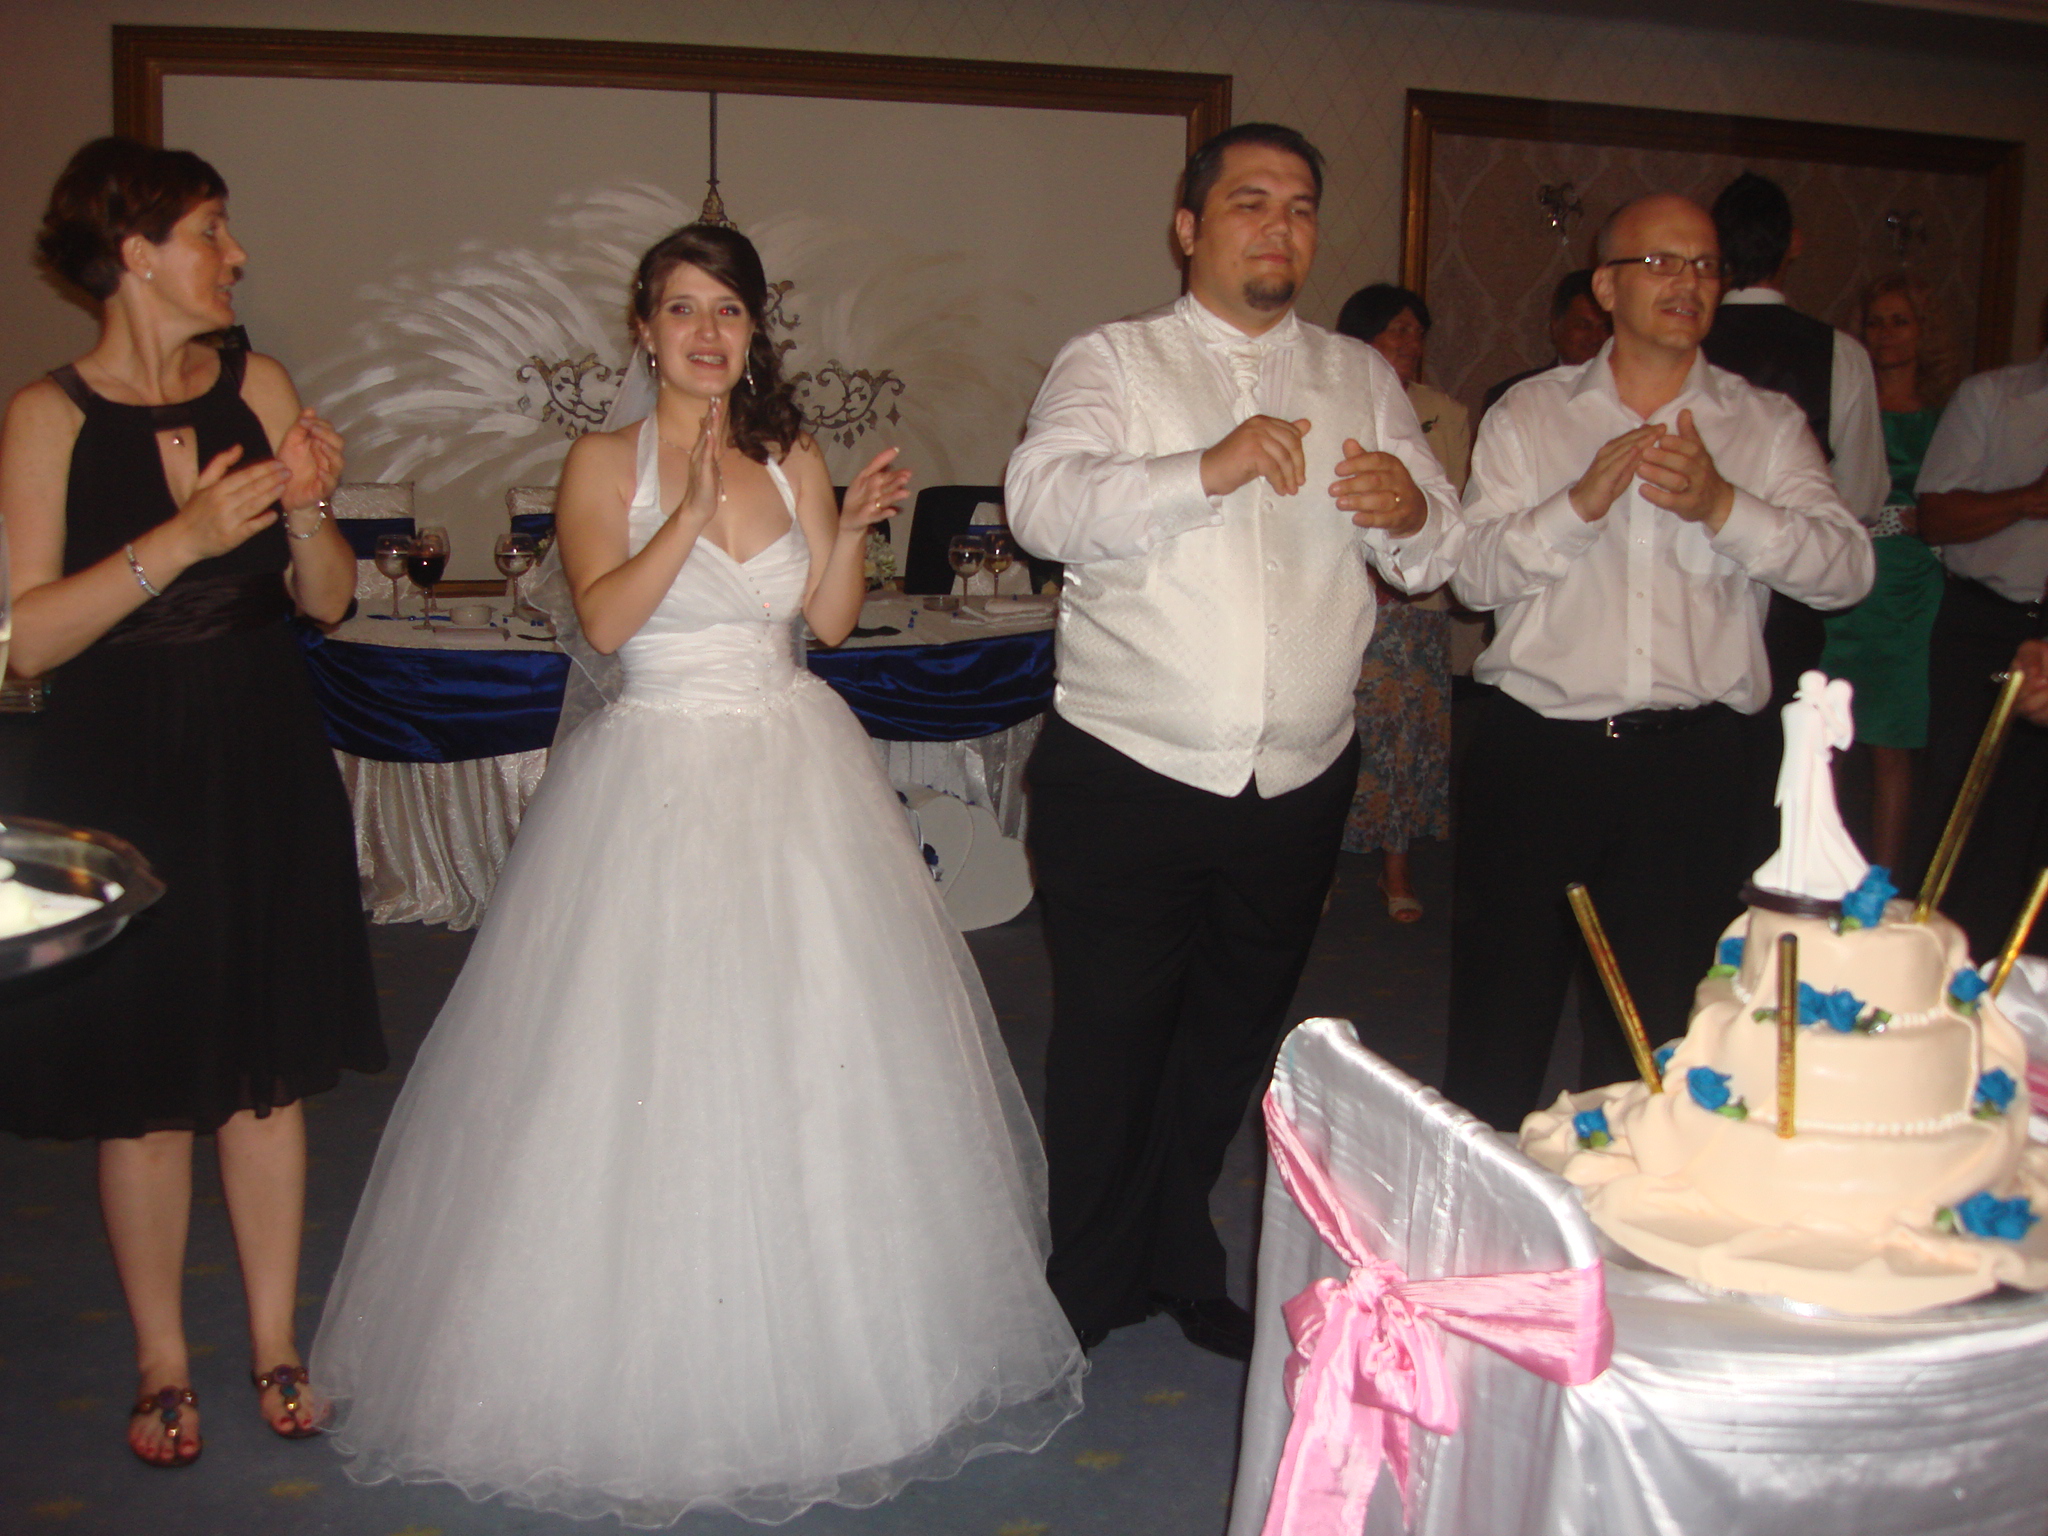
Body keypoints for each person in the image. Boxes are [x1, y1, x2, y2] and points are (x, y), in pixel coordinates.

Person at [311, 223, 1084, 1524]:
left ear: (753, 329)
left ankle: (851, 1358)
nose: (707, 333)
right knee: (643, 1060)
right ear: (645, 329)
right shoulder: (599, 461)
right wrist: (684, 507)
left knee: (814, 1047)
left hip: (792, 765)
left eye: (728, 310)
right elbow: (605, 619)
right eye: (682, 309)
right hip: (654, 768)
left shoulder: (794, 452)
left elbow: (824, 621)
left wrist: (850, 527)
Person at [1006, 124, 1461, 1357]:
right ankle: (1089, 1277)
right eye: (1248, 202)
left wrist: (1411, 511)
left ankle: (1180, 1258)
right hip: (1130, 770)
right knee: (1110, 1038)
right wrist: (1199, 469)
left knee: (1226, 1042)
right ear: (1187, 227)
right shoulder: (1112, 360)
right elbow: (1041, 505)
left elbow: (1437, 548)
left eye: (1299, 207)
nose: (1278, 227)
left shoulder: (1358, 375)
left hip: (1298, 778)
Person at [0, 137, 382, 1465]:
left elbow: (326, 599)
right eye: (211, 230)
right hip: (118, 768)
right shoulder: (47, 416)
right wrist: (183, 542)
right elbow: (24, 644)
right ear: (136, 253)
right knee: (145, 1082)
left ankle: (276, 1341)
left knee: (264, 1074)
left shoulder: (257, 385)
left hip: (258, 749)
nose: (236, 254)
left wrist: (311, 511)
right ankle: (162, 1360)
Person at [1443, 193, 1872, 1132]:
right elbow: (1470, 577)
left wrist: (1725, 507)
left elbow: (1849, 570)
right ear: (1606, 286)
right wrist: (1576, 506)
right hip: (1539, 757)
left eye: (1706, 265)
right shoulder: (1532, 412)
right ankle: (1472, 1215)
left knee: (1656, 1041)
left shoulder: (1763, 424)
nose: (1689, 282)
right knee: (1498, 1024)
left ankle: (1630, 1214)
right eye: (1662, 263)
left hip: (1695, 768)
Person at [1704, 171, 1888, 870]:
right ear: (1794, 246)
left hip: (1689, 588)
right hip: (1789, 602)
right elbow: (1859, 498)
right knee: (1777, 778)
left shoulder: (1681, 339)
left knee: (1693, 772)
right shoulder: (1840, 353)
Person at [1910, 331, 2048, 960]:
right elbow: (1935, 517)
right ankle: (1943, 973)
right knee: (1962, 817)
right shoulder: (1992, 396)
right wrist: (2029, 499)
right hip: (1986, 625)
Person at [1816, 275, 1958, 871]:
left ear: (1924, 332)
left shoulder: (1946, 418)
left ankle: (1884, 886)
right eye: (1876, 322)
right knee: (1823, 738)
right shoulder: (1844, 408)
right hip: (1844, 580)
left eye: (1900, 321)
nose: (1886, 334)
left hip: (1906, 589)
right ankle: (1819, 869)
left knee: (1890, 742)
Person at [1333, 283, 1464, 921]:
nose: (1411, 343)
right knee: (1340, 733)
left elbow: (1454, 504)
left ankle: (1397, 864)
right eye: (1398, 330)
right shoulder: (1333, 402)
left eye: (1418, 332)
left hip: (1417, 606)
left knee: (1410, 734)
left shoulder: (1446, 412)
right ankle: (1319, 860)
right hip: (1344, 602)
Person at [1481, 268, 1610, 412]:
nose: (1595, 337)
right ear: (1555, 327)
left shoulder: (1628, 394)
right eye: (1583, 326)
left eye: (1606, 327)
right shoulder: (1512, 397)